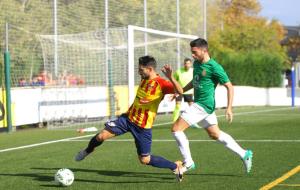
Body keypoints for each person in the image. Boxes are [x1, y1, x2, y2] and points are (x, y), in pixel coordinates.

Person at [75, 55, 184, 182]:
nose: (139, 72)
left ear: (149, 69)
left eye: (141, 70)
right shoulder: (144, 79)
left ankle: (175, 166)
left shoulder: (161, 83)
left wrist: (170, 77)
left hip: (142, 127)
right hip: (127, 119)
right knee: (100, 136)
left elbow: (181, 91)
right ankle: (87, 151)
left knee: (144, 160)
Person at [161, 38, 253, 174]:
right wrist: (178, 90)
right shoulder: (197, 64)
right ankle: (244, 154)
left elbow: (229, 86)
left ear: (204, 51)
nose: (192, 55)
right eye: (191, 52)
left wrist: (229, 108)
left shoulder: (215, 67)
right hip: (204, 106)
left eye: (194, 52)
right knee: (215, 134)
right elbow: (195, 81)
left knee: (176, 129)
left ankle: (188, 162)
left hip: (203, 105)